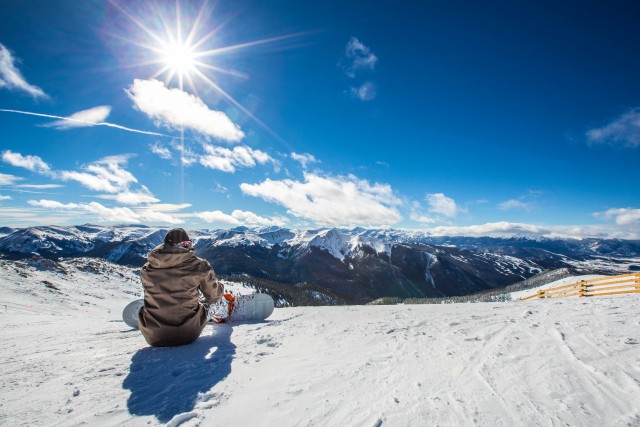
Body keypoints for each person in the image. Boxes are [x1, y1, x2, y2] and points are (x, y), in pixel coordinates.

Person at [138, 228, 226, 347]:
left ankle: (154, 317)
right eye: (185, 244)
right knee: (215, 300)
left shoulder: (147, 268)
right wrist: (220, 287)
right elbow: (214, 295)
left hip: (153, 335)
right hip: (187, 334)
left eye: (189, 243)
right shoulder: (199, 265)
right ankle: (224, 313)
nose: (188, 247)